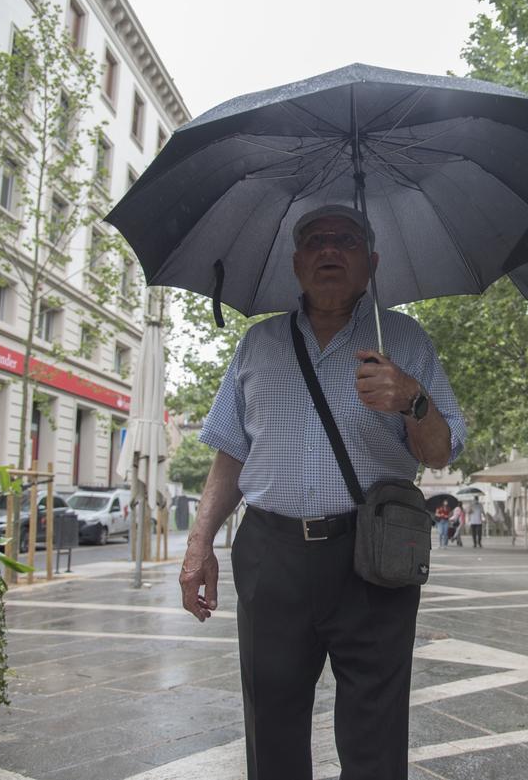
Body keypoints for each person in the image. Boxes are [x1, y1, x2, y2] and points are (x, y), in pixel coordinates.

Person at [179, 204, 466, 780]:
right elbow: (230, 453)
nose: (329, 250)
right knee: (272, 720)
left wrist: (411, 398)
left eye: (346, 240)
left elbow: (442, 450)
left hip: (372, 557)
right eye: (315, 240)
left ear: (372, 262)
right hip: (271, 553)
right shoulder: (258, 344)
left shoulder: (404, 340)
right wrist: (198, 545)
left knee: (376, 731)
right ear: (296, 261)